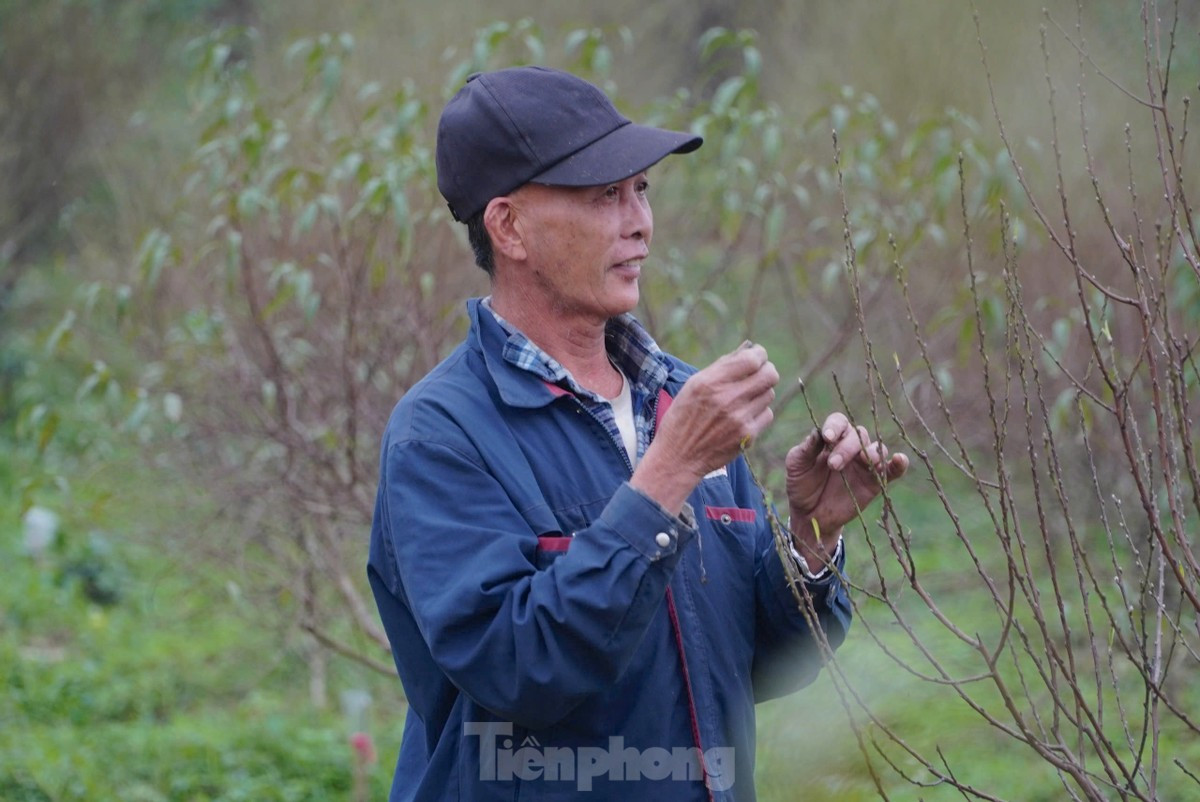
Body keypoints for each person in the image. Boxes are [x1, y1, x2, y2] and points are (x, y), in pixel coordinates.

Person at [367, 65, 909, 801]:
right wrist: (666, 474)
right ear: (509, 226)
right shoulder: (441, 435)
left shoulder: (678, 400)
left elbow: (750, 664)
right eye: (603, 196)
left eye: (641, 190)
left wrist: (810, 542)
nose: (639, 222)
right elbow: (518, 667)